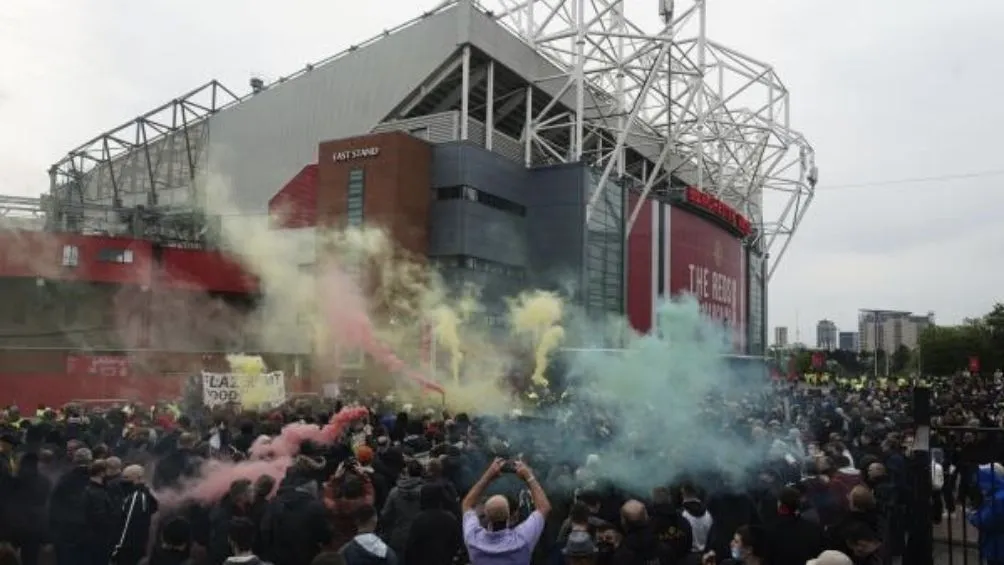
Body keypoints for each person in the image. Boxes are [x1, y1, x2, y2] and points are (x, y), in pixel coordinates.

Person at [462, 458, 551, 565]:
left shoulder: (473, 539)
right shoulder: (522, 540)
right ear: (510, 515)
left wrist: (488, 476)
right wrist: (529, 476)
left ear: (485, 514)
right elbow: (544, 507)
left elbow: (467, 504)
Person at [111, 465, 159, 565]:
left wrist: (118, 547)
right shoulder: (144, 494)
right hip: (138, 545)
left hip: (128, 548)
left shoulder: (136, 496)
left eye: (126, 477)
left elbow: (128, 524)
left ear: (137, 478)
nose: (123, 481)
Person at [968, 463, 1004, 565]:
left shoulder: (998, 498)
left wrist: (971, 516)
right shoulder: (997, 494)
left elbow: (985, 520)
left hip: (997, 548)